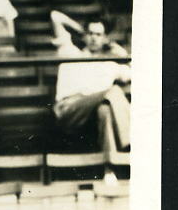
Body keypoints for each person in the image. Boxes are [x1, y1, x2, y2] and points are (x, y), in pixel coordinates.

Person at [50, 9, 131, 155]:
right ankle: (131, 142)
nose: (94, 38)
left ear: (105, 38)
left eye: (98, 34)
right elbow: (55, 16)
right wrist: (80, 29)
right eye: (90, 33)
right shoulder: (70, 52)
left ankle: (109, 169)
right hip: (68, 109)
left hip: (92, 114)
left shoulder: (110, 64)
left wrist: (121, 52)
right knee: (113, 91)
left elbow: (134, 73)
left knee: (104, 110)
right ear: (85, 36)